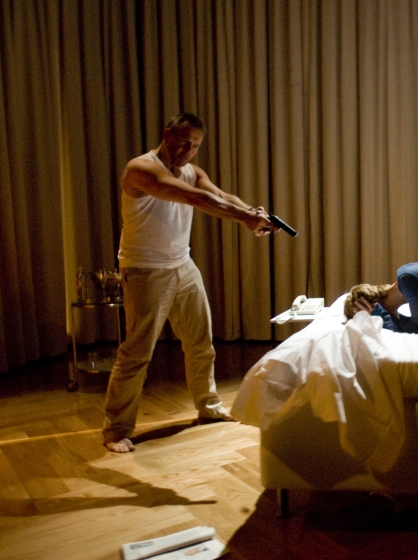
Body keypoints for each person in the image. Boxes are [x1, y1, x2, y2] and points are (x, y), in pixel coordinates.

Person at [103, 113, 279, 453]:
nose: (188, 150)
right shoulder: (142, 169)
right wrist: (245, 218)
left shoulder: (192, 171)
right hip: (145, 270)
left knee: (200, 343)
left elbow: (220, 195)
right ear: (167, 134)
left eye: (195, 145)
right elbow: (196, 199)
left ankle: (209, 407)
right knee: (136, 353)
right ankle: (116, 430)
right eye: (184, 142)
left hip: (182, 265)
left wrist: (253, 212)